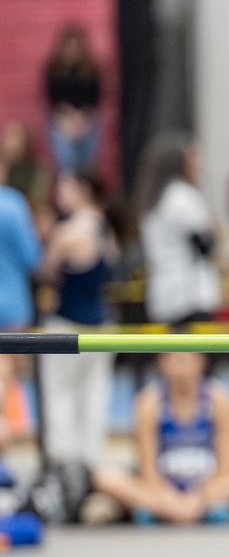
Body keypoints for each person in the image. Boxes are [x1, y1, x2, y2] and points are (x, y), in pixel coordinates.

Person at [93, 351, 229, 524]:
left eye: (186, 360)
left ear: (201, 362)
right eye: (173, 360)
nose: (180, 369)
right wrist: (169, 499)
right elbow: (147, 469)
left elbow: (224, 467)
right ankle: (186, 510)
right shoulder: (149, 401)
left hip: (207, 489)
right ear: (161, 364)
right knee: (105, 477)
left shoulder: (220, 398)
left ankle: (167, 511)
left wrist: (198, 498)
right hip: (161, 488)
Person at [36, 171, 117, 468]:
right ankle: (90, 463)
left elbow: (44, 270)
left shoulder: (67, 231)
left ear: (82, 189)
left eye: (65, 186)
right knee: (94, 396)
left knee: (59, 396)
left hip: (67, 324)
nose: (60, 192)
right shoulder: (107, 229)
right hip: (102, 324)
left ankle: (63, 465)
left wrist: (47, 237)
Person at [136, 132, 220, 325]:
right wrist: (212, 229)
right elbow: (204, 246)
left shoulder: (152, 199)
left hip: (163, 295)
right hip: (189, 296)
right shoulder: (183, 196)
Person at [0, 178, 41, 488]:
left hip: (12, 306)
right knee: (5, 384)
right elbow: (32, 257)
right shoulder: (13, 204)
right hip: (11, 305)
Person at [43, 24, 102, 175]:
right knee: (67, 164)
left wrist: (81, 118)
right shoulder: (54, 69)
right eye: (69, 46)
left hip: (85, 119)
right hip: (62, 118)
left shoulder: (91, 69)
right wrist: (69, 116)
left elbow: (95, 98)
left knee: (87, 165)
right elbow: (53, 99)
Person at [1, 120, 53, 230]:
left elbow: (39, 198)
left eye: (16, 139)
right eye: (9, 138)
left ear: (25, 142)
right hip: (5, 210)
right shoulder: (3, 164)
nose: (11, 144)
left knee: (45, 217)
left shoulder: (38, 167)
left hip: (29, 210)